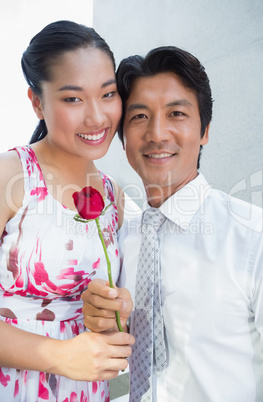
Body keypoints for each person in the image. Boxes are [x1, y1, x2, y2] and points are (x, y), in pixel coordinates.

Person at [82, 46, 263, 401]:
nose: (157, 133)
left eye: (177, 113)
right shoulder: (117, 241)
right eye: (139, 117)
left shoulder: (256, 237)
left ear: (205, 131)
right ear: (123, 139)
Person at [0, 20, 135, 402]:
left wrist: (109, 313)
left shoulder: (116, 199)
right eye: (73, 99)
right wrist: (58, 356)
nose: (96, 117)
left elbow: (103, 321)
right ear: (37, 102)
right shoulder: (10, 177)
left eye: (108, 94)